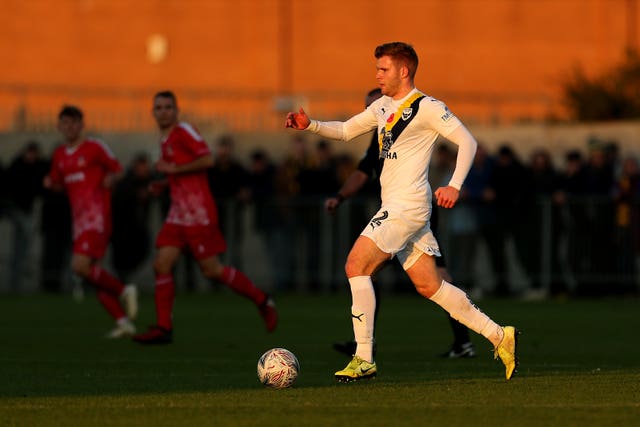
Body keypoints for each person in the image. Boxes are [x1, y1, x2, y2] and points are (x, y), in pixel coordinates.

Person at [285, 42, 518, 381]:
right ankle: (499, 334)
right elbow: (348, 130)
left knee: (355, 264)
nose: (377, 75)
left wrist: (454, 184)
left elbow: (468, 141)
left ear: (403, 71)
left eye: (383, 69)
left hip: (406, 206)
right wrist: (311, 125)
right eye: (377, 69)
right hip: (398, 206)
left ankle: (363, 357)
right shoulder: (382, 106)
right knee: (430, 286)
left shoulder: (427, 107)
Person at [328, 88, 475, 359]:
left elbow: (466, 141)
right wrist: (340, 196)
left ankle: (464, 340)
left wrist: (453, 185)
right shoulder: (379, 140)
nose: (372, 112)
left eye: (373, 106)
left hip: (412, 212)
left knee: (431, 280)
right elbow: (360, 170)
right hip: (398, 213)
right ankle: (365, 345)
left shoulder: (409, 123)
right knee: (368, 272)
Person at [133, 91, 277, 344]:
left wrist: (174, 170)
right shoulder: (165, 140)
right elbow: (177, 173)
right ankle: (164, 328)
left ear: (176, 111)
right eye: (159, 107)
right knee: (161, 265)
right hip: (178, 213)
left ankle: (262, 300)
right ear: (153, 112)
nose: (163, 111)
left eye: (168, 107)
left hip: (198, 213)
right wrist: (164, 185)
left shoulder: (184, 131)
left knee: (212, 271)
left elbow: (207, 159)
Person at [43, 105, 138, 338]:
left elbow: (119, 169)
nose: (69, 127)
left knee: (79, 266)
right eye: (65, 123)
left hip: (97, 219)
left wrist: (111, 179)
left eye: (74, 122)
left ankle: (125, 289)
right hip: (79, 222)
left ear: (82, 125)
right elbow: (58, 183)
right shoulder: (60, 156)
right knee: (92, 273)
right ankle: (123, 322)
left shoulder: (95, 148)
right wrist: (50, 184)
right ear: (59, 126)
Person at [6, 141, 49, 292]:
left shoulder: (37, 167)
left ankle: (21, 277)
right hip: (19, 211)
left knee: (23, 245)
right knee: (21, 244)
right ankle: (17, 280)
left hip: (29, 211)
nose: (32, 157)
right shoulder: (17, 167)